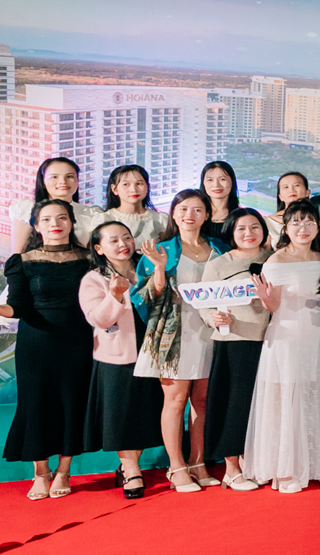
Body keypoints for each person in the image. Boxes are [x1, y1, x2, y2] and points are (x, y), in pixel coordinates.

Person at [0, 201, 94, 499]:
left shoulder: (90, 259)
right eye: (46, 219)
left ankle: (64, 471)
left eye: (62, 218)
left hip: (79, 340)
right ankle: (41, 472)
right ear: (36, 226)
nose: (55, 224)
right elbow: (17, 308)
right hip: (36, 342)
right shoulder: (22, 261)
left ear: (72, 222)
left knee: (72, 402)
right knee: (36, 403)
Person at [133, 190, 227, 491]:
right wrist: (160, 267)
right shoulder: (160, 250)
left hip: (213, 333)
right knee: (175, 401)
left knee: (202, 401)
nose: (190, 215)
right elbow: (145, 297)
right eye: (183, 209)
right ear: (173, 213)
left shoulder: (220, 248)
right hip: (175, 335)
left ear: (207, 215)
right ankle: (176, 467)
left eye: (197, 209)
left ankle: (198, 462)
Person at [246, 201, 320, 493]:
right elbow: (273, 305)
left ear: (317, 227)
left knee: (310, 394)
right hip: (286, 334)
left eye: (309, 222)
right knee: (285, 398)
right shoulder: (276, 261)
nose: (303, 228)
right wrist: (264, 297)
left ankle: (311, 465)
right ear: (286, 228)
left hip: (317, 332)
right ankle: (284, 470)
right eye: (296, 222)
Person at [79, 221, 162, 499]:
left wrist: (158, 269)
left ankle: (128, 465)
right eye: (113, 240)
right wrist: (114, 294)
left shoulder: (147, 268)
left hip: (153, 351)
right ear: (99, 248)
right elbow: (99, 320)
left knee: (146, 412)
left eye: (126, 237)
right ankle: (131, 469)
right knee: (120, 416)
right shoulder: (94, 279)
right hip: (117, 356)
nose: (123, 244)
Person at [200, 208, 273, 491]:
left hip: (271, 341)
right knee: (235, 404)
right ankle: (231, 468)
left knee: (263, 405)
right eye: (241, 228)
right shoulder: (219, 264)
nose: (248, 233)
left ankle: (254, 463)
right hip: (234, 342)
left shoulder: (274, 259)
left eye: (255, 227)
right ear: (231, 232)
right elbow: (203, 303)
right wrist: (213, 318)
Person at [8, 157, 100, 249]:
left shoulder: (91, 214)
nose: (63, 181)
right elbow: (17, 253)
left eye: (69, 176)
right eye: (54, 177)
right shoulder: (27, 210)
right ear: (43, 182)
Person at [100, 165, 169, 249]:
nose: (134, 189)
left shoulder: (160, 220)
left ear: (147, 187)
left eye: (139, 184)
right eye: (126, 184)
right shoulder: (105, 219)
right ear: (114, 189)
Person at [199, 160, 241, 248]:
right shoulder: (196, 214)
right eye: (210, 180)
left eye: (222, 179)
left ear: (232, 182)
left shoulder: (241, 215)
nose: (216, 185)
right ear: (203, 183)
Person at [266, 171, 311, 244]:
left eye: (297, 185)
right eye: (286, 187)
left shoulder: (318, 218)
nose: (291, 190)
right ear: (280, 196)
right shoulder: (268, 222)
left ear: (307, 192)